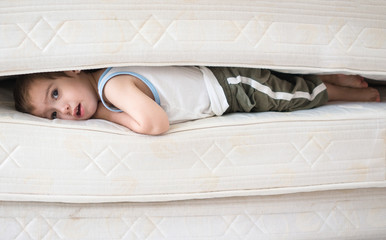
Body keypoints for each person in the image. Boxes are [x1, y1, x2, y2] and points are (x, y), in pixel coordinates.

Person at [13, 66, 380, 135]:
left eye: (55, 93)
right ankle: (335, 76)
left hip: (230, 87)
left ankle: (359, 93)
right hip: (222, 84)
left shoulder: (112, 90)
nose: (63, 110)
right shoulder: (106, 79)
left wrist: (106, 118)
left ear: (72, 70)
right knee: (286, 82)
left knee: (293, 95)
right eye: (53, 116)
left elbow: (155, 124)